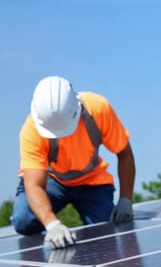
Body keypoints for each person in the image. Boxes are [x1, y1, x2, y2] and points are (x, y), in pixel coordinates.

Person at [11, 76, 136, 249]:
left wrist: (125, 199)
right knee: (23, 220)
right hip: (53, 183)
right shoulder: (31, 129)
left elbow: (125, 155)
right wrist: (52, 224)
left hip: (91, 182)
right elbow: (33, 184)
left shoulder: (98, 109)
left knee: (105, 228)